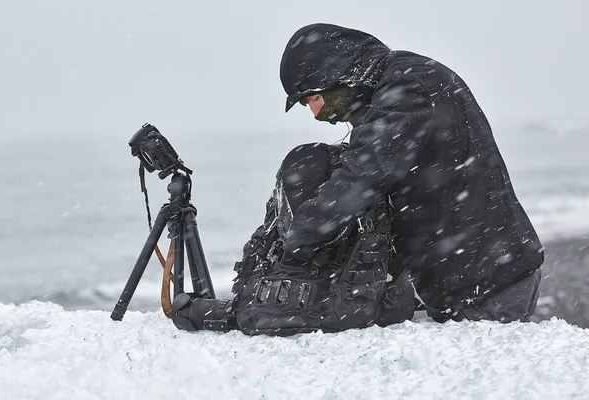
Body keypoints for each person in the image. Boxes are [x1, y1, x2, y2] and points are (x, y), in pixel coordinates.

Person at [171, 22, 544, 334]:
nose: (315, 113)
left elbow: (362, 177)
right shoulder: (403, 81)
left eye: (312, 98)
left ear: (336, 74)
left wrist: (297, 242)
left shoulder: (409, 87)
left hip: (487, 281)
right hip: (472, 272)